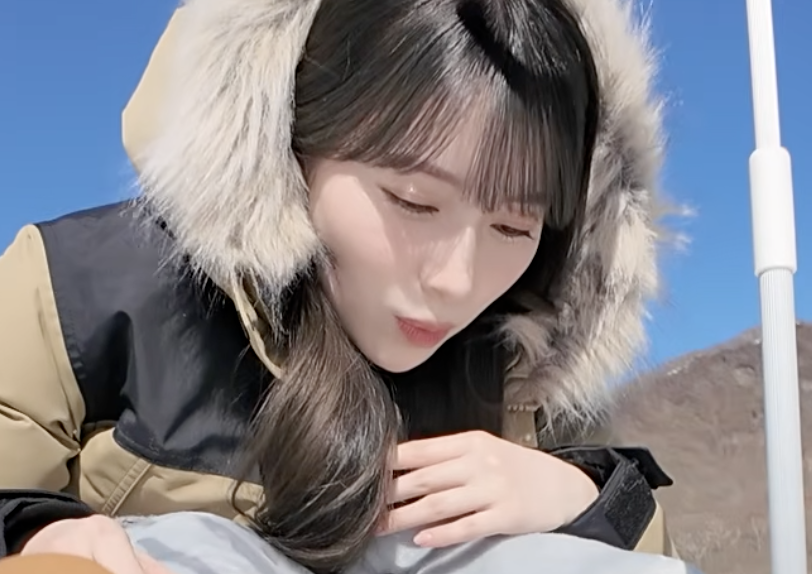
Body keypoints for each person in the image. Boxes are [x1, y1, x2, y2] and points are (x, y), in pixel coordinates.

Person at [0, 0, 681, 572]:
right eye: (414, 202)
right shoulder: (81, 289)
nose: (456, 281)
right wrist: (35, 534)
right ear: (293, 138)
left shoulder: (527, 373)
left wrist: (583, 500)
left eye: (512, 227)